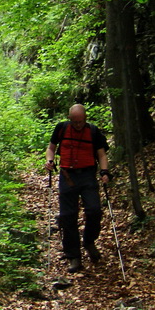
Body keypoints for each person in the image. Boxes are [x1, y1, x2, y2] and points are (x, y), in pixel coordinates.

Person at [44, 104, 110, 273]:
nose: (78, 125)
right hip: (67, 176)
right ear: (70, 119)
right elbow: (51, 148)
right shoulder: (62, 128)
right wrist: (50, 161)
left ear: (85, 119)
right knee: (68, 216)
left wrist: (104, 171)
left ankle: (89, 241)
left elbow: (101, 154)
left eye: (81, 121)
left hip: (87, 175)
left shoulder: (93, 131)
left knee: (94, 210)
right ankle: (74, 255)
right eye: (75, 121)